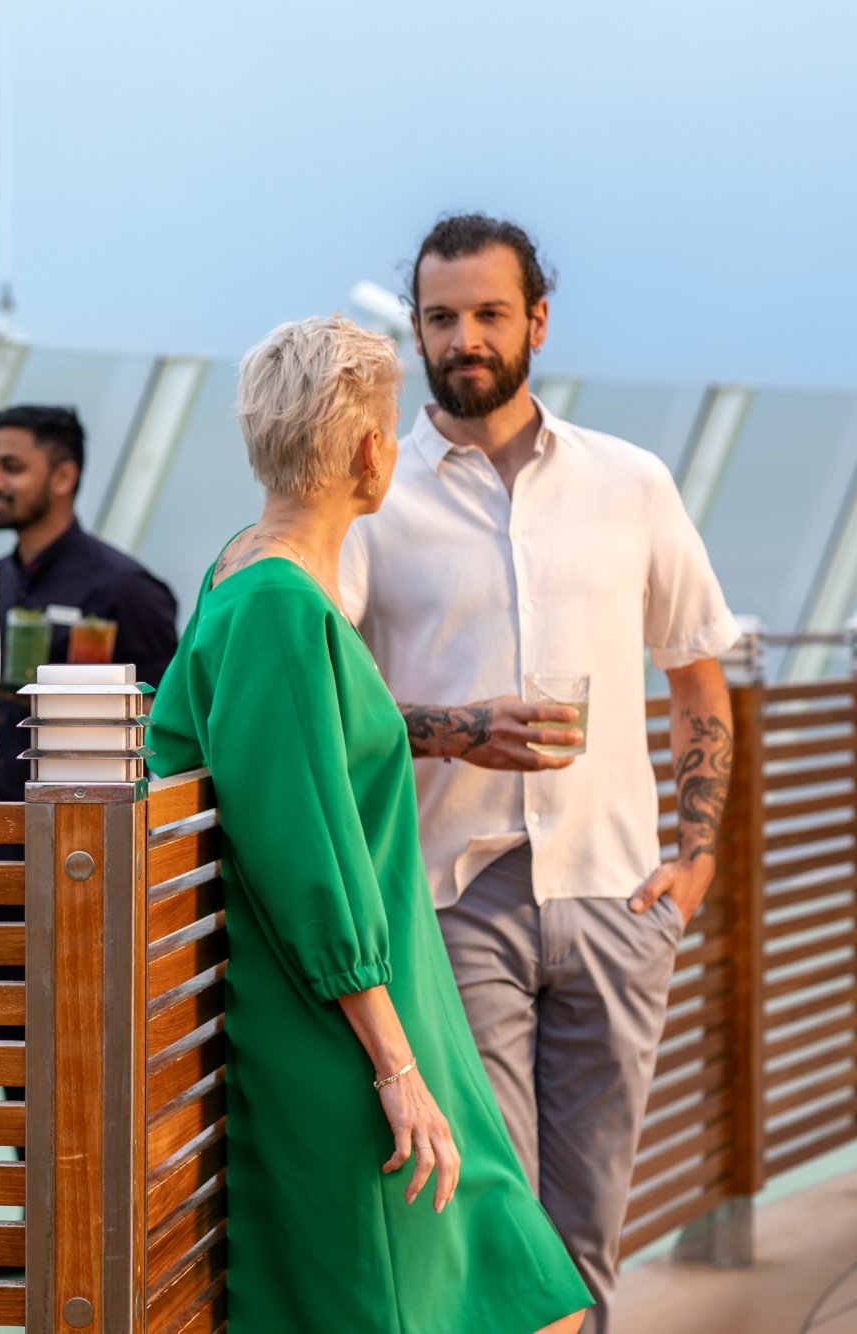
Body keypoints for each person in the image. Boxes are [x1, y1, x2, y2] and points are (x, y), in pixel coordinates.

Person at [149, 315, 591, 1333]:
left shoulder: (250, 573)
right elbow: (309, 857)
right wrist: (394, 1066)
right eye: (388, 424)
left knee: (524, 1293)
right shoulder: (272, 606)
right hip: (342, 1028)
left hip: (391, 999)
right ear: (363, 450)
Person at [342, 214, 738, 1331]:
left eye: (485, 313)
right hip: (451, 898)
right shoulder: (373, 496)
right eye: (437, 317)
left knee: (587, 1226)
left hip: (614, 896)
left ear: (535, 322)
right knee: (496, 1217)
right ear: (412, 329)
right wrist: (453, 728)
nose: (461, 337)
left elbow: (696, 680)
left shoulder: (630, 481)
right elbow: (332, 698)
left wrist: (694, 863)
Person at [0, 404, 179, 800]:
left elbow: (162, 723)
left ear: (63, 477)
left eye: (12, 467)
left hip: (89, 831)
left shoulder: (127, 588)